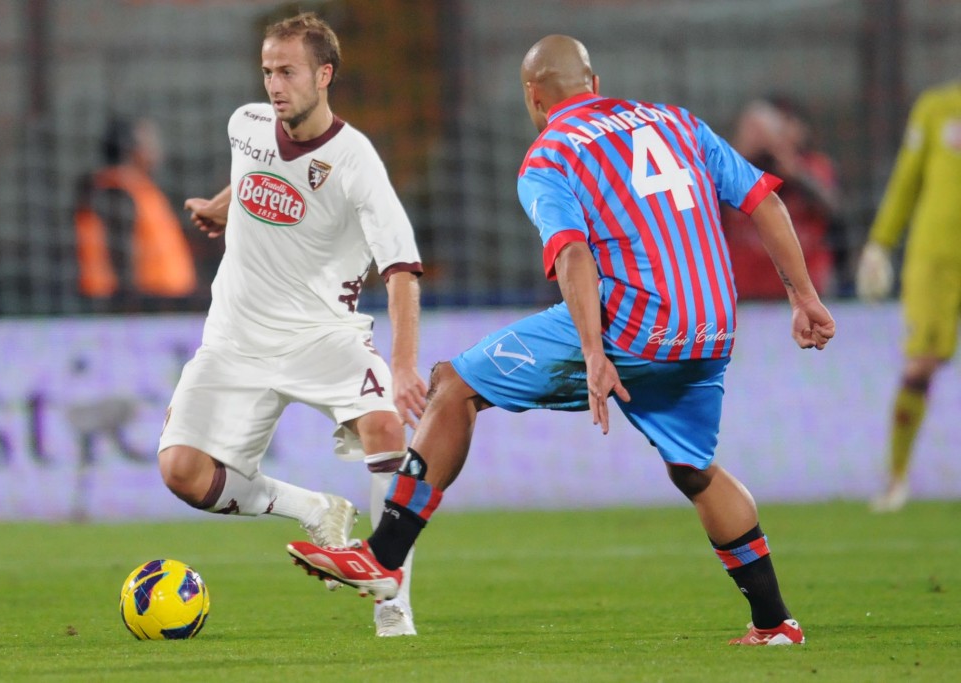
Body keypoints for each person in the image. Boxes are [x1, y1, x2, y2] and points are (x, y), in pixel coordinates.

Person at [288, 34, 836, 646]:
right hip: (711, 326)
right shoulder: (677, 121)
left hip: (634, 323)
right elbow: (762, 199)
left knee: (457, 384)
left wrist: (597, 353)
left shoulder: (549, 156)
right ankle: (774, 623)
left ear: (534, 95)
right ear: (592, 81)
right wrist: (804, 296)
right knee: (695, 468)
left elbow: (573, 252)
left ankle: (384, 557)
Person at [156, 12, 427, 637]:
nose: (274, 85)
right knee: (182, 474)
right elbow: (252, 171)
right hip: (235, 336)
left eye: (288, 72)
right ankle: (311, 508)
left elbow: (403, 269)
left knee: (385, 422)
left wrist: (404, 364)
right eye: (267, 71)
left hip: (321, 334)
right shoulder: (246, 124)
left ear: (324, 75)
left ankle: (392, 603)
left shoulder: (356, 160)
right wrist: (224, 207)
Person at [856, 80, 961, 513]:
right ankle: (896, 478)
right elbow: (907, 179)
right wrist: (880, 242)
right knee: (920, 366)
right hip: (936, 259)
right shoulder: (938, 108)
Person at [721, 96, 842, 299]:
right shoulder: (731, 170)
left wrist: (794, 172)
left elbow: (833, 210)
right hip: (746, 297)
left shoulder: (814, 167)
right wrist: (741, 158)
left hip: (805, 296)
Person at [74, 116, 198, 310]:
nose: (157, 149)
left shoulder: (136, 187)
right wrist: (130, 306)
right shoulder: (115, 190)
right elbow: (119, 255)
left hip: (158, 299)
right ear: (131, 148)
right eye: (150, 142)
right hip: (139, 303)